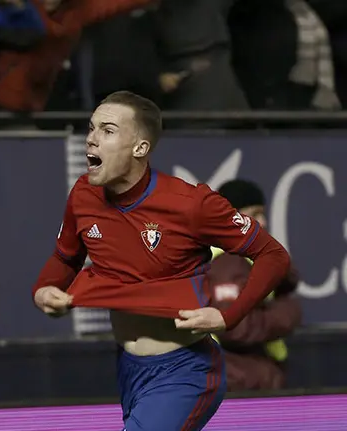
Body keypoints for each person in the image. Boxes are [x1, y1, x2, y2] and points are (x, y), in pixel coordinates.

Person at [32, 91, 291, 430]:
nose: (92, 140)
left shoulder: (190, 204)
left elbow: (273, 255)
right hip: (130, 368)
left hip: (185, 369)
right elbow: (65, 257)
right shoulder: (83, 195)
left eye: (107, 131)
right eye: (91, 128)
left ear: (140, 148)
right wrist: (45, 290)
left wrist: (229, 317)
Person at [207, 179, 302, 391]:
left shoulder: (243, 259)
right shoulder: (227, 264)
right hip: (237, 386)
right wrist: (287, 312)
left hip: (242, 381)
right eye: (255, 214)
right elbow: (236, 328)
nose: (264, 221)